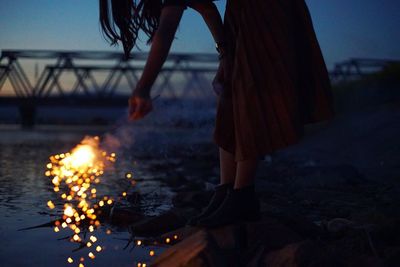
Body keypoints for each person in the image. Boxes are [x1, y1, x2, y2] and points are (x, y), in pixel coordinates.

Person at [99, 0, 335, 228]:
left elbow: (168, 26)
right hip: (240, 7)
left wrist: (143, 87)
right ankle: (226, 191)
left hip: (265, 6)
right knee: (230, 89)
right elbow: (207, 8)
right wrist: (225, 55)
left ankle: (243, 195)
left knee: (249, 91)